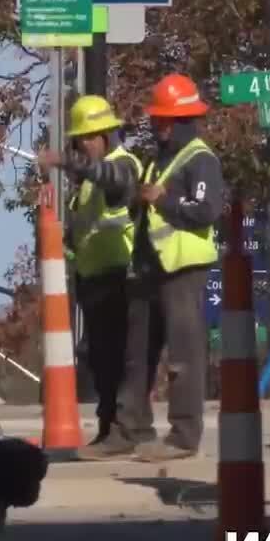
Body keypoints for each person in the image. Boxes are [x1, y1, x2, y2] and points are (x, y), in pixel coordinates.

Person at [106, 74, 226, 463]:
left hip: (182, 270)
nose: (157, 127)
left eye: (164, 120)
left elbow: (207, 211)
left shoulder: (200, 159)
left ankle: (183, 435)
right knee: (137, 353)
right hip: (150, 269)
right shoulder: (163, 158)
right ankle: (132, 427)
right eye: (156, 120)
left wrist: (164, 199)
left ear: (182, 120)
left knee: (183, 356)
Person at [37, 95, 143, 454]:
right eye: (80, 138)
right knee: (99, 358)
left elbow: (113, 182)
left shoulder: (122, 165)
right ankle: (108, 427)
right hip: (93, 281)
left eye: (92, 136)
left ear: (108, 135)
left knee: (115, 358)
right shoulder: (85, 184)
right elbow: (82, 233)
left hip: (120, 277)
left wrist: (66, 162)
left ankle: (121, 431)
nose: (86, 143)